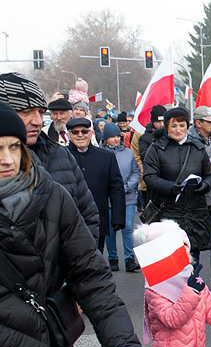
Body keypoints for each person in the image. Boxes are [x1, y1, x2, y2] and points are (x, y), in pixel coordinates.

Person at [0, 101, 144, 347]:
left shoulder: (51, 197)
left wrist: (123, 343)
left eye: (14, 147)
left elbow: (91, 277)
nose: (8, 159)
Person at [0, 72, 101, 242]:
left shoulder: (61, 155)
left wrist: (78, 261)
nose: (38, 121)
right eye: (26, 112)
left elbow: (88, 215)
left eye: (41, 112)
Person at [143, 108, 211, 270]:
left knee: (193, 260)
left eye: (181, 125)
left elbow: (210, 175)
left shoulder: (198, 148)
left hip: (195, 211)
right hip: (168, 211)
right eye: (173, 126)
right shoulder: (156, 149)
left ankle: (191, 293)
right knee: (170, 262)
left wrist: (204, 185)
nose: (178, 130)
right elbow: (149, 177)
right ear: (166, 127)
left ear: (187, 126)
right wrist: (169, 187)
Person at [67, 117, 125, 256]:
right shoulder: (60, 155)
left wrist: (118, 218)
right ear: (69, 135)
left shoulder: (106, 156)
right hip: (68, 221)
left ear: (91, 133)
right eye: (75, 132)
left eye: (84, 131)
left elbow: (116, 188)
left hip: (97, 220)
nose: (80, 135)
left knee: (94, 261)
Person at [189, 105, 211, 293]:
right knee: (193, 243)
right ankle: (191, 282)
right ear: (198, 123)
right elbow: (194, 160)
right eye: (210, 121)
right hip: (198, 199)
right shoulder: (189, 139)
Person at [102, 122, 141, 272]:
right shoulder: (101, 153)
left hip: (127, 197)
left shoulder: (128, 153)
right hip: (109, 199)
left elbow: (135, 172)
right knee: (110, 230)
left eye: (118, 136)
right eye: (112, 136)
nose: (116, 139)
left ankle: (129, 258)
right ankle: (113, 258)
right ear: (106, 138)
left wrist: (126, 187)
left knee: (127, 228)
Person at [133, 104, 167, 209]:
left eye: (163, 121)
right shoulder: (145, 138)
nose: (161, 124)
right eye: (158, 122)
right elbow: (145, 158)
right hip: (153, 182)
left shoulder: (171, 136)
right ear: (152, 122)